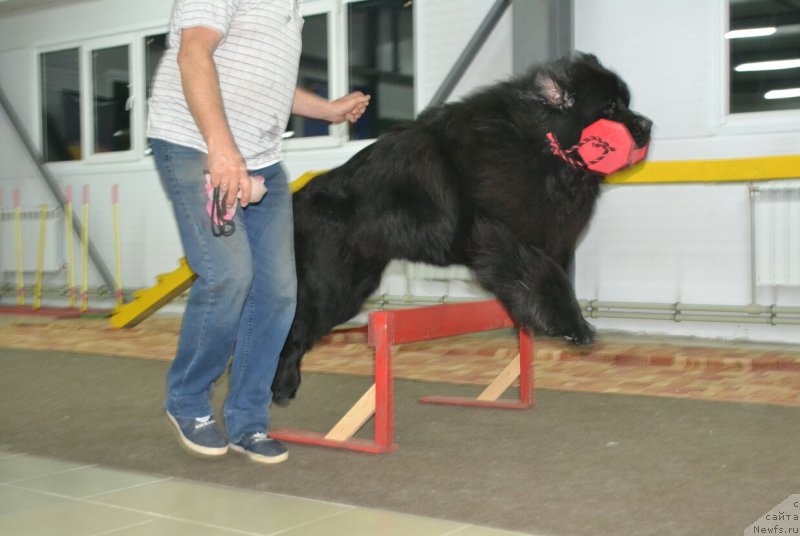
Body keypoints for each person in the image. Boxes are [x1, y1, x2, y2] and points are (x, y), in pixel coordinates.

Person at [147, 0, 370, 464]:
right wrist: (221, 148)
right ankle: (187, 399)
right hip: (195, 145)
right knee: (229, 274)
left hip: (260, 159)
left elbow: (267, 85)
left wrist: (327, 110)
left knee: (278, 293)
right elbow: (194, 53)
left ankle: (248, 420)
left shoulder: (291, 9)